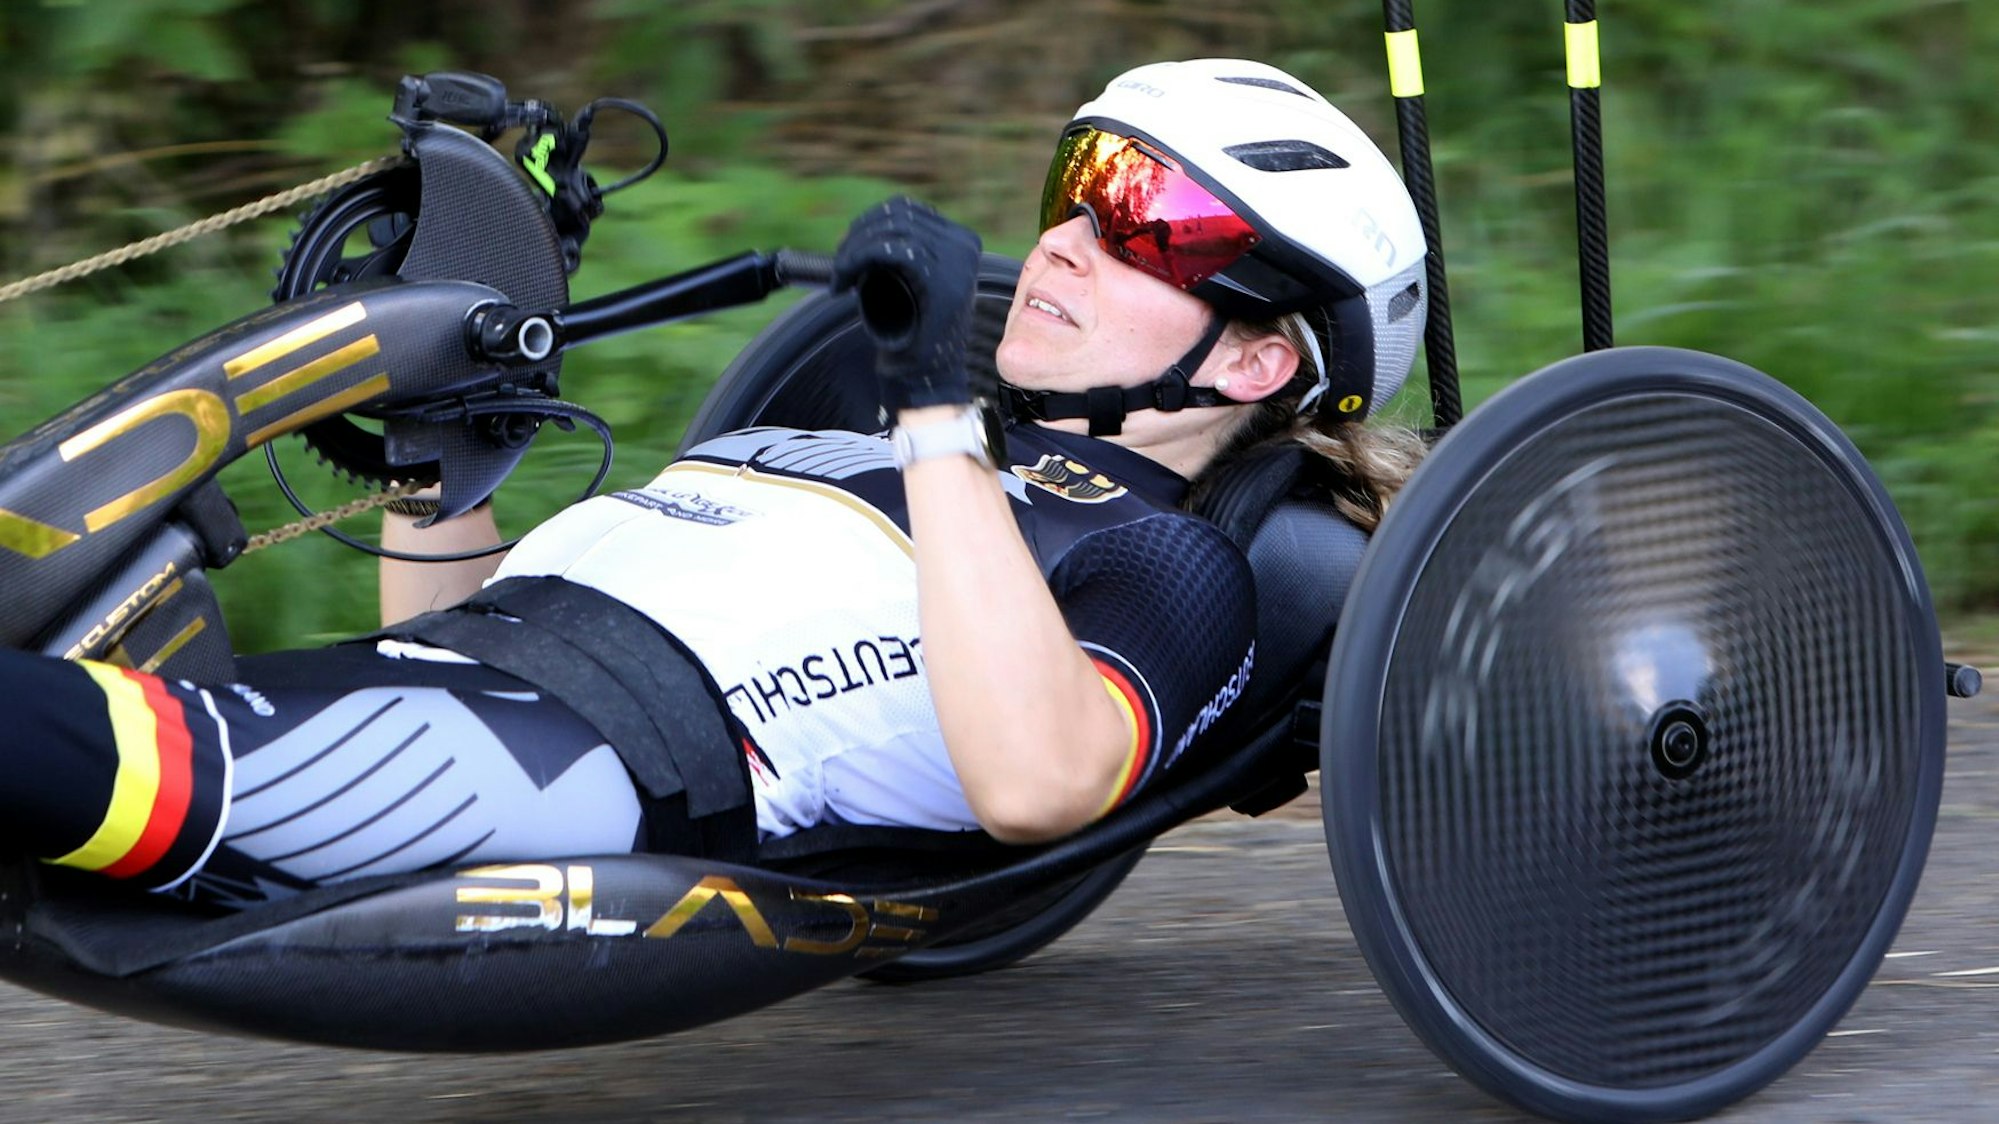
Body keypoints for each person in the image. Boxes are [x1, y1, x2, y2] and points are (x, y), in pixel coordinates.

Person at [0, 59, 1428, 905]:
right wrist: (445, 450)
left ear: (1254, 365)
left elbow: (1041, 783)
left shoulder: (1165, 564)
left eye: (1149, 230)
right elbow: (455, 643)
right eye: (1077, 191)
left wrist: (931, 398)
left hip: (568, 763)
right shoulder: (881, 457)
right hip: (459, 696)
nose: (1062, 242)